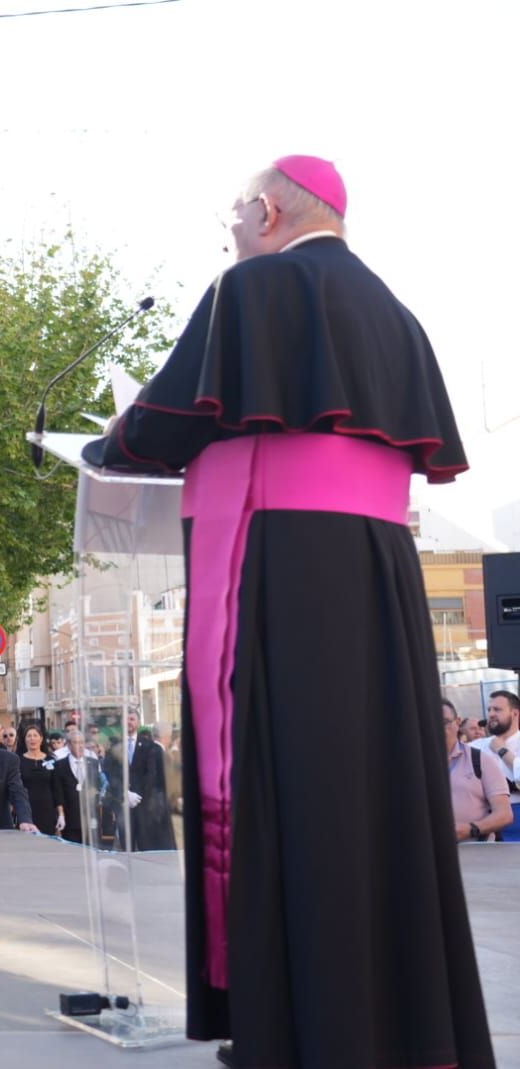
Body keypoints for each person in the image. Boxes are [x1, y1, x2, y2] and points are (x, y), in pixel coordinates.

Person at [82, 156, 491, 1068]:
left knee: (276, 775)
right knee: (373, 781)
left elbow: (159, 422)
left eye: (236, 211)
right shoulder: (397, 314)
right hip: (377, 576)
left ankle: (291, 1026)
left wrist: (102, 441)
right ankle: (399, 1025)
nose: (231, 226)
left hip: (274, 562)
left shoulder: (254, 287)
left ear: (268, 211)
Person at [104, 712, 175, 851]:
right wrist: (124, 793)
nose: (129, 722)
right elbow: (110, 773)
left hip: (144, 806)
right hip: (123, 805)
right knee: (126, 847)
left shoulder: (149, 746)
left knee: (145, 846)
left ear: (138, 722)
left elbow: (151, 775)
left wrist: (138, 795)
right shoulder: (113, 746)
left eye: (132, 719)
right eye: (126, 719)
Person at [444, 702, 512, 843]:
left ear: (458, 723)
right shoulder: (413, 763)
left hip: (476, 853)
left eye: (444, 722)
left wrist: (471, 829)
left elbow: (505, 814)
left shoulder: (480, 759)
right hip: (428, 854)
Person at [469, 690, 520, 842]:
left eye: (497, 709)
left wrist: (501, 750)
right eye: (489, 709)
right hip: (485, 821)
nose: (491, 714)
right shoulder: (476, 747)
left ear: (515, 713)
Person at [18, 725, 66, 837]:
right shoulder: (18, 761)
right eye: (29, 736)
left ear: (41, 739)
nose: (32, 739)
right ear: (24, 739)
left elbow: (57, 789)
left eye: (35, 735)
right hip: (27, 811)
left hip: (48, 810)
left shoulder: (51, 760)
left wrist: (61, 814)